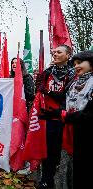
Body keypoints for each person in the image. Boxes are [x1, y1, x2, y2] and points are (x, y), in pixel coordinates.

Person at [40, 50, 93, 189]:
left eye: (80, 63)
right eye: (75, 64)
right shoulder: (74, 82)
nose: (76, 66)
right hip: (67, 132)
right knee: (65, 168)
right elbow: (65, 100)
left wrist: (68, 116)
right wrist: (55, 113)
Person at [35, 44, 75, 189]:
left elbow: (66, 96)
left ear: (68, 55)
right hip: (48, 118)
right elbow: (38, 87)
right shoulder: (49, 72)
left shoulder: (73, 73)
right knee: (48, 151)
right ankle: (46, 180)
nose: (55, 54)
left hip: (64, 119)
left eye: (59, 52)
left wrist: (48, 92)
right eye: (54, 52)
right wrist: (40, 84)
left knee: (61, 154)